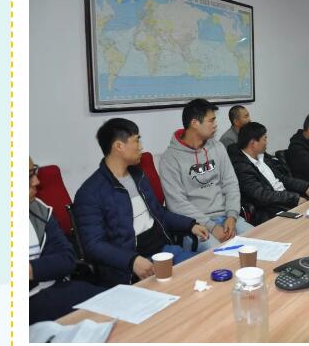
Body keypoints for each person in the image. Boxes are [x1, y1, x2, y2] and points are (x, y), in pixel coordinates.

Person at [73, 119, 208, 287]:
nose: (141, 147)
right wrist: (132, 261)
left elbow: (158, 213)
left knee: (207, 269)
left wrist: (190, 225)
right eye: (136, 140)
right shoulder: (90, 193)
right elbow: (93, 245)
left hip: (164, 251)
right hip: (130, 268)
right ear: (119, 146)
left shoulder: (138, 176)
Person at [159, 99, 253, 253]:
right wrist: (211, 226)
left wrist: (232, 216)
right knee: (221, 255)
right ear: (195, 123)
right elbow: (177, 204)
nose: (215, 125)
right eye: (211, 120)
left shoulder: (217, 147)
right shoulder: (170, 159)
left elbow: (230, 183)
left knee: (258, 240)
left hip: (227, 218)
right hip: (197, 226)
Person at [29, 158, 105, 324]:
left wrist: (30, 269)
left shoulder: (39, 209)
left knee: (118, 302)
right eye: (28, 176)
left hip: (57, 289)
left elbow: (67, 259)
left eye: (34, 173)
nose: (36, 181)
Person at [230, 122, 309, 225]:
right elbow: (261, 195)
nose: (266, 142)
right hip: (270, 209)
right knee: (308, 222)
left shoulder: (262, 157)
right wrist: (294, 199)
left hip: (285, 198)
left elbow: (281, 178)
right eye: (264, 139)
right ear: (253, 143)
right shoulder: (241, 167)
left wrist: (305, 187)